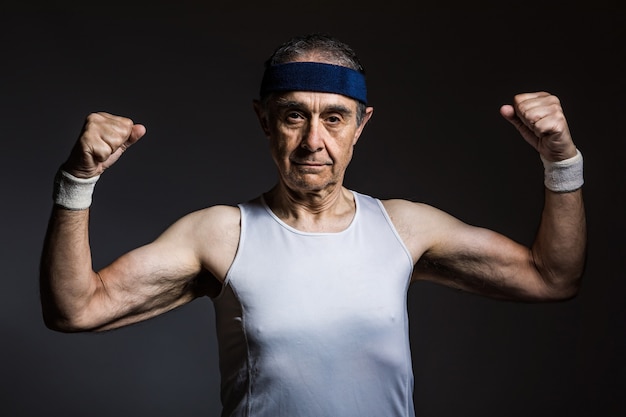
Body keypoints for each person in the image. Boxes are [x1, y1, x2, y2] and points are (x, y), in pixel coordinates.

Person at [39, 33, 586, 417]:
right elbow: (76, 308)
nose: (313, 142)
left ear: (360, 125)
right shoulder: (221, 235)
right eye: (294, 115)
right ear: (265, 121)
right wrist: (77, 181)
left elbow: (551, 278)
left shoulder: (405, 228)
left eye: (334, 117)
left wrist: (561, 163)